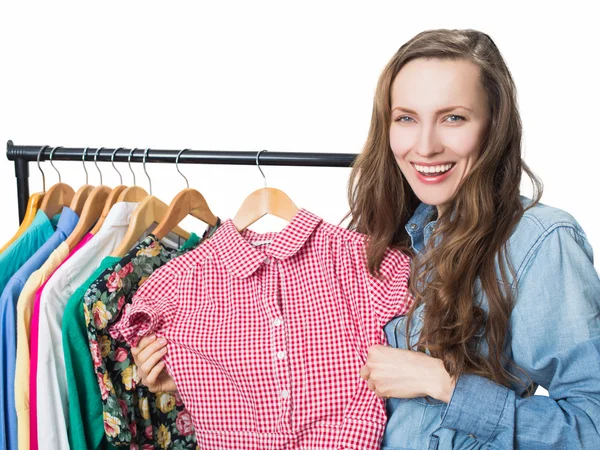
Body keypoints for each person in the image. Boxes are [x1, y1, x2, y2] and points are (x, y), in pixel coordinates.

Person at [132, 29, 600, 449]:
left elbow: (592, 425)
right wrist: (208, 373)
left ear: (494, 125)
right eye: (407, 119)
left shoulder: (539, 242)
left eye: (454, 118)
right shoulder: (389, 240)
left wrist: (445, 384)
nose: (426, 145)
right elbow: (329, 371)